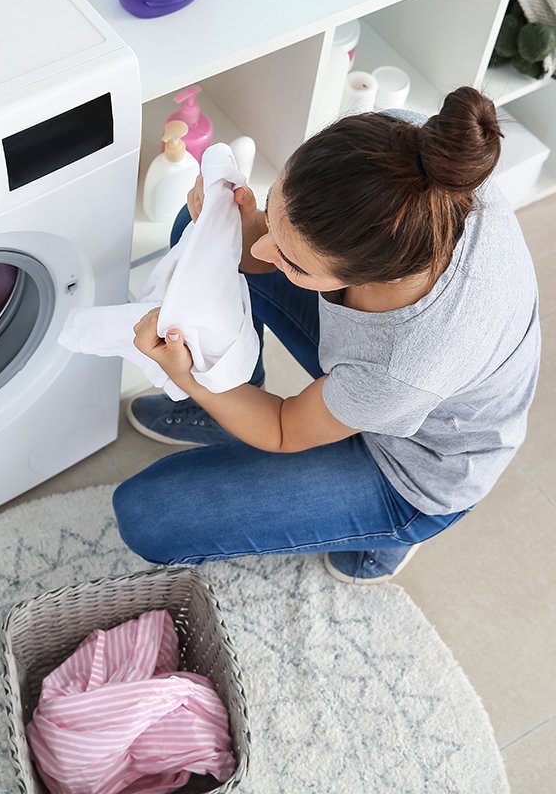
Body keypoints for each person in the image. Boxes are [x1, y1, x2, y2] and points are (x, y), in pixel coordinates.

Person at [112, 87, 541, 584]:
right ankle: (227, 401)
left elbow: (283, 428)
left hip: (414, 468)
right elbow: (265, 248)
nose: (266, 249)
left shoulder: (403, 365)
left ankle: (381, 538)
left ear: (367, 274)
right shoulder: (405, 154)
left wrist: (189, 379)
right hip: (384, 376)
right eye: (276, 215)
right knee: (202, 227)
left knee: (147, 518)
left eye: (292, 262)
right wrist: (245, 222)